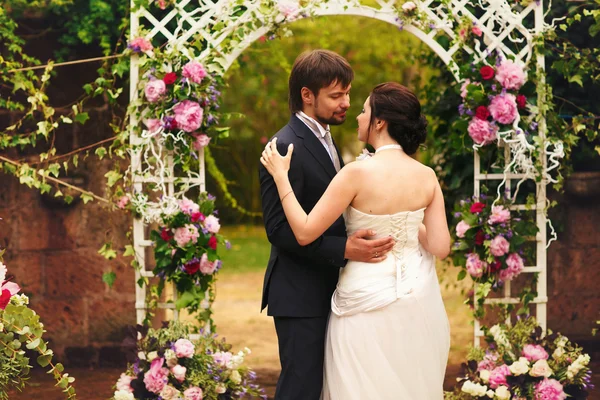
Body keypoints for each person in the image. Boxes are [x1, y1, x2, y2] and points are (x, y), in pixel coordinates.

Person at [261, 82, 452, 399]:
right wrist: (405, 223)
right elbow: (440, 246)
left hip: (361, 301)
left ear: (379, 122)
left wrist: (282, 178)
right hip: (416, 299)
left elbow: (306, 231)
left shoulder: (356, 174)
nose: (358, 115)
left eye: (364, 110)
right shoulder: (427, 175)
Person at [259, 50, 396, 400]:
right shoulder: (284, 146)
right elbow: (278, 230)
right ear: (308, 95)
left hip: (331, 287)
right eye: (336, 95)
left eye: (348, 94)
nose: (346, 103)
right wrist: (344, 249)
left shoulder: (326, 138)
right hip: (299, 292)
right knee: (301, 387)